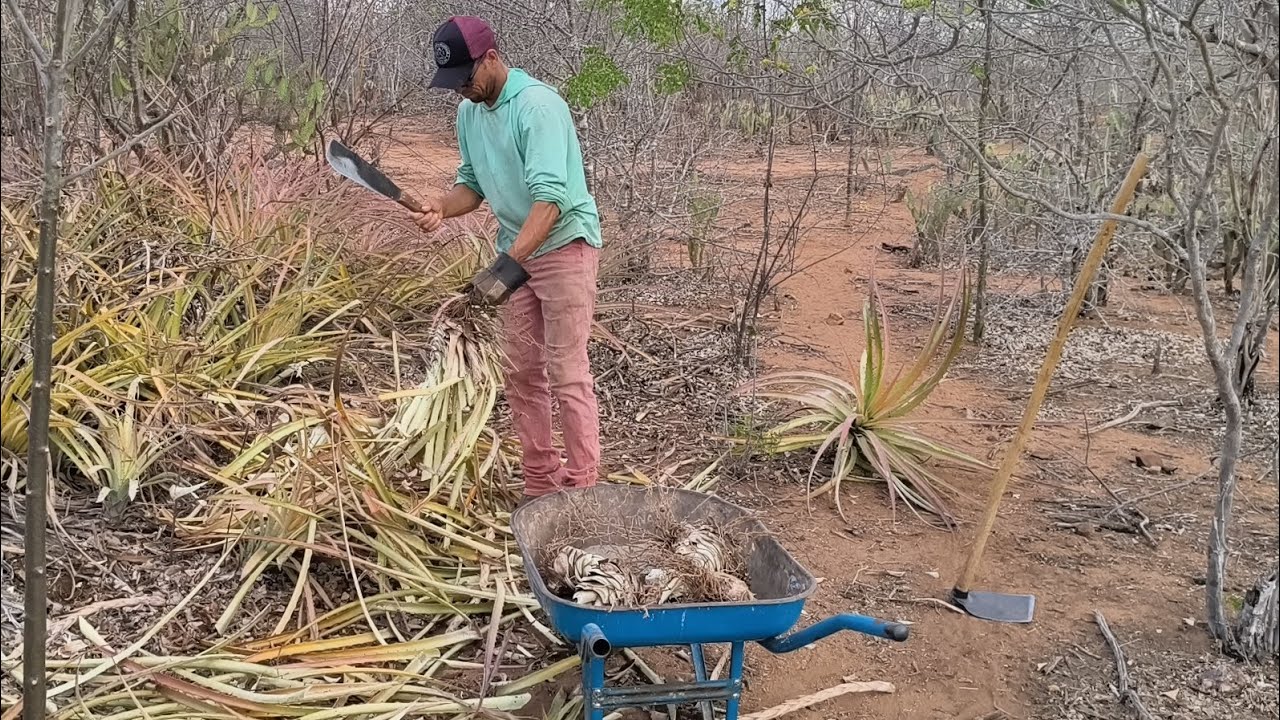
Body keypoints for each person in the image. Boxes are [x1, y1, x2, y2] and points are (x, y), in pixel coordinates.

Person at [412, 15, 602, 502]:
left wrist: (504, 267)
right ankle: (540, 481)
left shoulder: (538, 107)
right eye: (454, 84)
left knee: (567, 371)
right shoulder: (469, 114)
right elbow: (471, 185)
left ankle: (583, 488)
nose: (462, 91)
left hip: (563, 245)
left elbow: (550, 201)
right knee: (521, 370)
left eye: (467, 79)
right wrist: (442, 206)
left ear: (491, 58)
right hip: (517, 249)